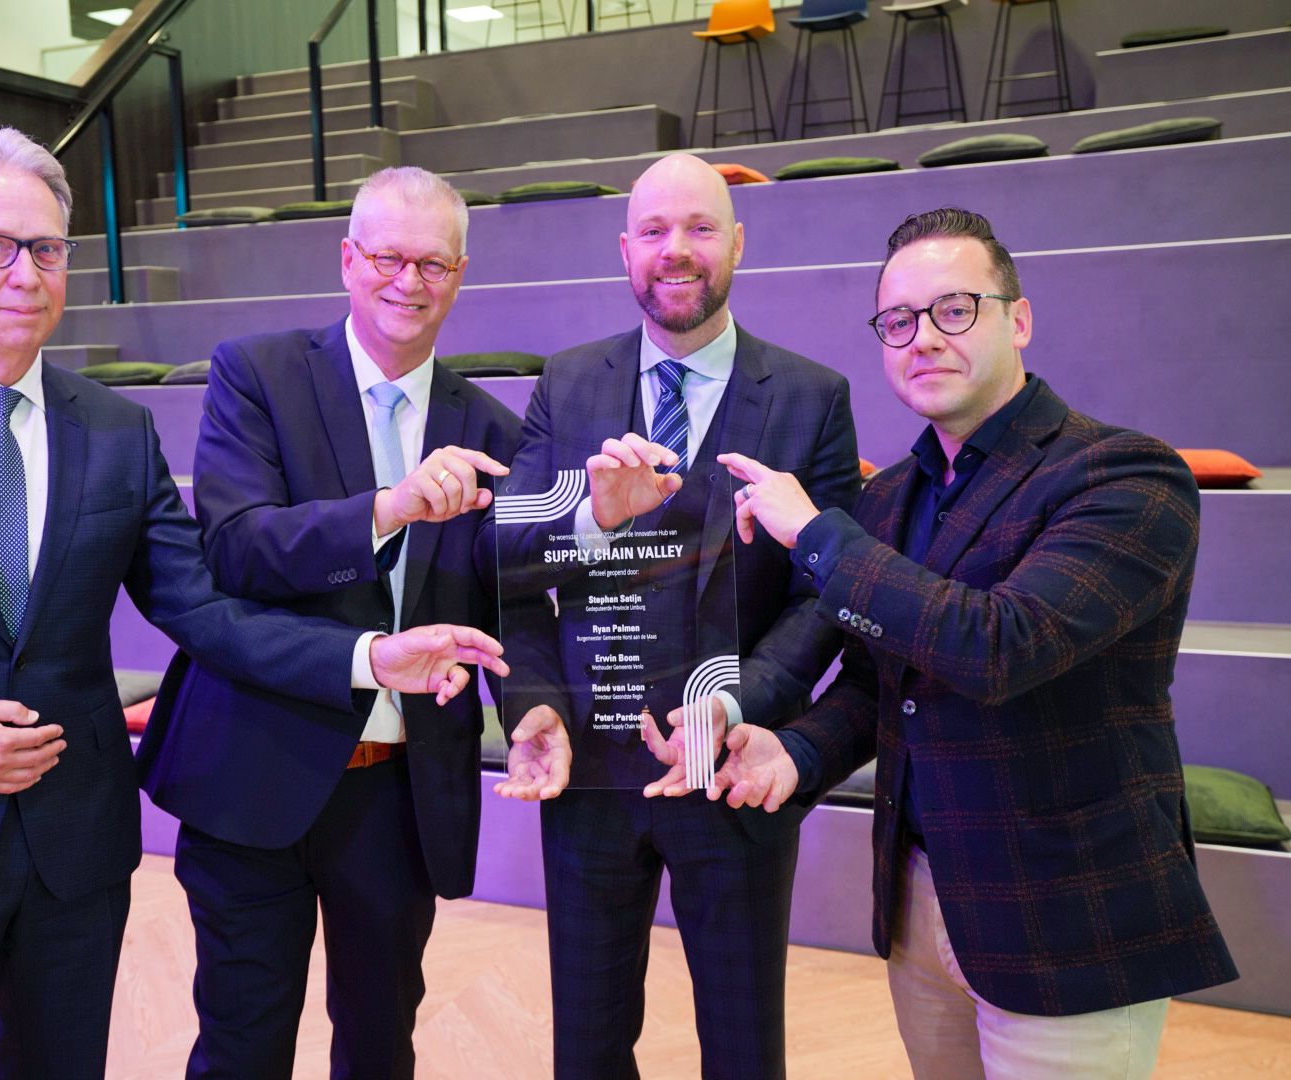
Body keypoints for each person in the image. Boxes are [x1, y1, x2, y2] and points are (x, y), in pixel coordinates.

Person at [0, 129, 507, 1080]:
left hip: (71, 854)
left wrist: (368, 659)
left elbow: (204, 610)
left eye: (47, 249)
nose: (25, 272)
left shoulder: (115, 432)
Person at [709, 207, 1238, 1077]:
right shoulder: (888, 503)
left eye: (954, 309)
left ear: (1017, 318)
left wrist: (814, 533)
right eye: (898, 322)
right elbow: (883, 687)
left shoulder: (1122, 474)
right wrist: (796, 753)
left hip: (1071, 912)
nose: (923, 339)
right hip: (921, 897)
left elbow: (1002, 646)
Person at [136, 166, 569, 1080]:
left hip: (399, 793)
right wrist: (391, 506)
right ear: (346, 260)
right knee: (242, 1043)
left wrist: (533, 703)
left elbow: (510, 602)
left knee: (380, 1043)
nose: (408, 282)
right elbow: (238, 549)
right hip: (254, 772)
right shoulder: (254, 373)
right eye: (387, 257)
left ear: (460, 275)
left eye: (433, 264)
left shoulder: (494, 430)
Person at [488, 152, 860, 1079]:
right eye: (654, 232)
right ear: (625, 251)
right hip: (587, 771)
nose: (677, 251)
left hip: (732, 770)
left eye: (700, 228)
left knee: (742, 1049)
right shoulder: (566, 384)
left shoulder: (813, 399)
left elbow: (822, 593)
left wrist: (742, 703)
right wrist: (530, 703)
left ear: (737, 243)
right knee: (589, 1047)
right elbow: (515, 567)